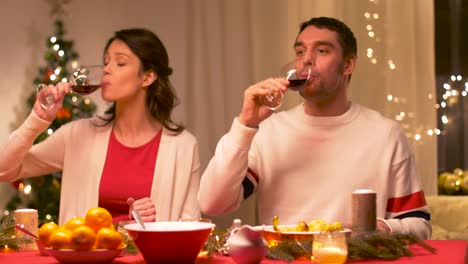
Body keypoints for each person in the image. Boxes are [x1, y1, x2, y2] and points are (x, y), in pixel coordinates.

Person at [199, 17, 431, 239]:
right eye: (300, 52)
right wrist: (246, 124)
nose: (306, 60)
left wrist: (379, 228)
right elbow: (213, 204)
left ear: (348, 65)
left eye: (322, 51)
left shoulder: (385, 134)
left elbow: (419, 224)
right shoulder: (270, 131)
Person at [0, 28, 201, 225]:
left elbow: (192, 227)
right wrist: (37, 120)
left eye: (120, 63)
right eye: (106, 62)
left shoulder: (183, 146)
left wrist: (147, 224)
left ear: (148, 77)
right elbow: (5, 171)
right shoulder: (76, 135)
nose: (106, 69)